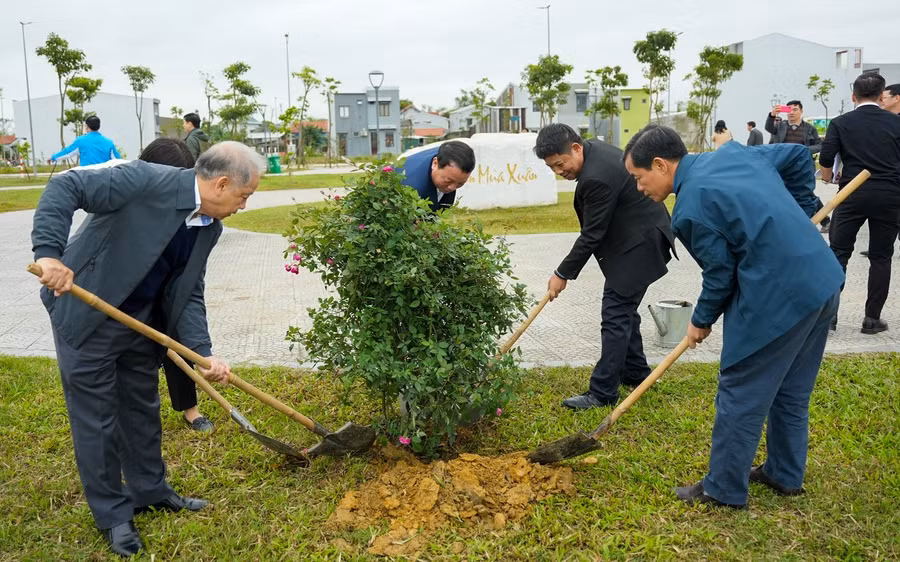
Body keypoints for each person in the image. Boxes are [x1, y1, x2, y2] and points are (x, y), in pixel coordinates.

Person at [31, 141, 265, 557]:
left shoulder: (209, 228)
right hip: (87, 314)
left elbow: (188, 292)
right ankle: (113, 515)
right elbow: (65, 189)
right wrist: (49, 253)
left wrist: (202, 352)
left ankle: (150, 491)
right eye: (244, 196)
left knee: (141, 408)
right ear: (222, 183)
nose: (243, 206)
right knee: (98, 420)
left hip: (141, 324)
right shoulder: (144, 181)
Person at [622, 124, 843, 509]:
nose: (639, 189)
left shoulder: (690, 209)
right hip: (822, 281)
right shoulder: (733, 154)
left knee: (740, 390)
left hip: (779, 297)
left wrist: (700, 321)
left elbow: (720, 275)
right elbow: (794, 157)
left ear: (660, 165)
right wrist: (802, 211)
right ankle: (784, 474)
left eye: (639, 179)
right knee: (791, 390)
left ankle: (722, 488)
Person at [534, 123, 676, 410]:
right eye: (552, 168)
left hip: (641, 246)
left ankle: (602, 393)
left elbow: (592, 235)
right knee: (623, 312)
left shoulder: (596, 177)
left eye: (560, 164)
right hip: (642, 238)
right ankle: (636, 373)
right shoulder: (593, 150)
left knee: (615, 315)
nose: (559, 172)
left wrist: (562, 274)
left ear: (576, 148)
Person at [135, 138, 216, 432]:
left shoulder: (193, 218)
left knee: (179, 342)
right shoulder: (129, 209)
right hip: (127, 296)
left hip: (169, 292)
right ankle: (135, 415)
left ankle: (190, 409)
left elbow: (192, 285)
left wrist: (203, 350)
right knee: (135, 356)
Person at [818, 73, 900, 335]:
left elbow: (827, 157)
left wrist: (829, 179)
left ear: (853, 96)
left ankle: (829, 317)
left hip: (851, 193)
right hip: (889, 194)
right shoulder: (896, 123)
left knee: (838, 253)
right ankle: (872, 319)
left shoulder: (841, 122)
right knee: (880, 257)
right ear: (880, 96)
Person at [765, 100, 829, 232]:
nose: (792, 112)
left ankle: (825, 220)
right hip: (783, 166)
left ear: (801, 111)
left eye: (795, 109)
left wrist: (804, 150)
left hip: (802, 167)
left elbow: (819, 145)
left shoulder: (809, 129)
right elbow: (769, 128)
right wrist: (772, 115)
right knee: (780, 192)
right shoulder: (780, 126)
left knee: (806, 194)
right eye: (789, 110)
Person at [399, 140, 475, 212]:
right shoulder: (412, 189)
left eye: (460, 184)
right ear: (435, 163)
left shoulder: (448, 155)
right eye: (448, 181)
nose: (452, 188)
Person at [51, 115, 121, 166]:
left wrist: (53, 157)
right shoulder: (109, 142)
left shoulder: (81, 141)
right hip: (104, 178)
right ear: (99, 126)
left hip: (86, 178)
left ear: (87, 126)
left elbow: (67, 152)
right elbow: (118, 160)